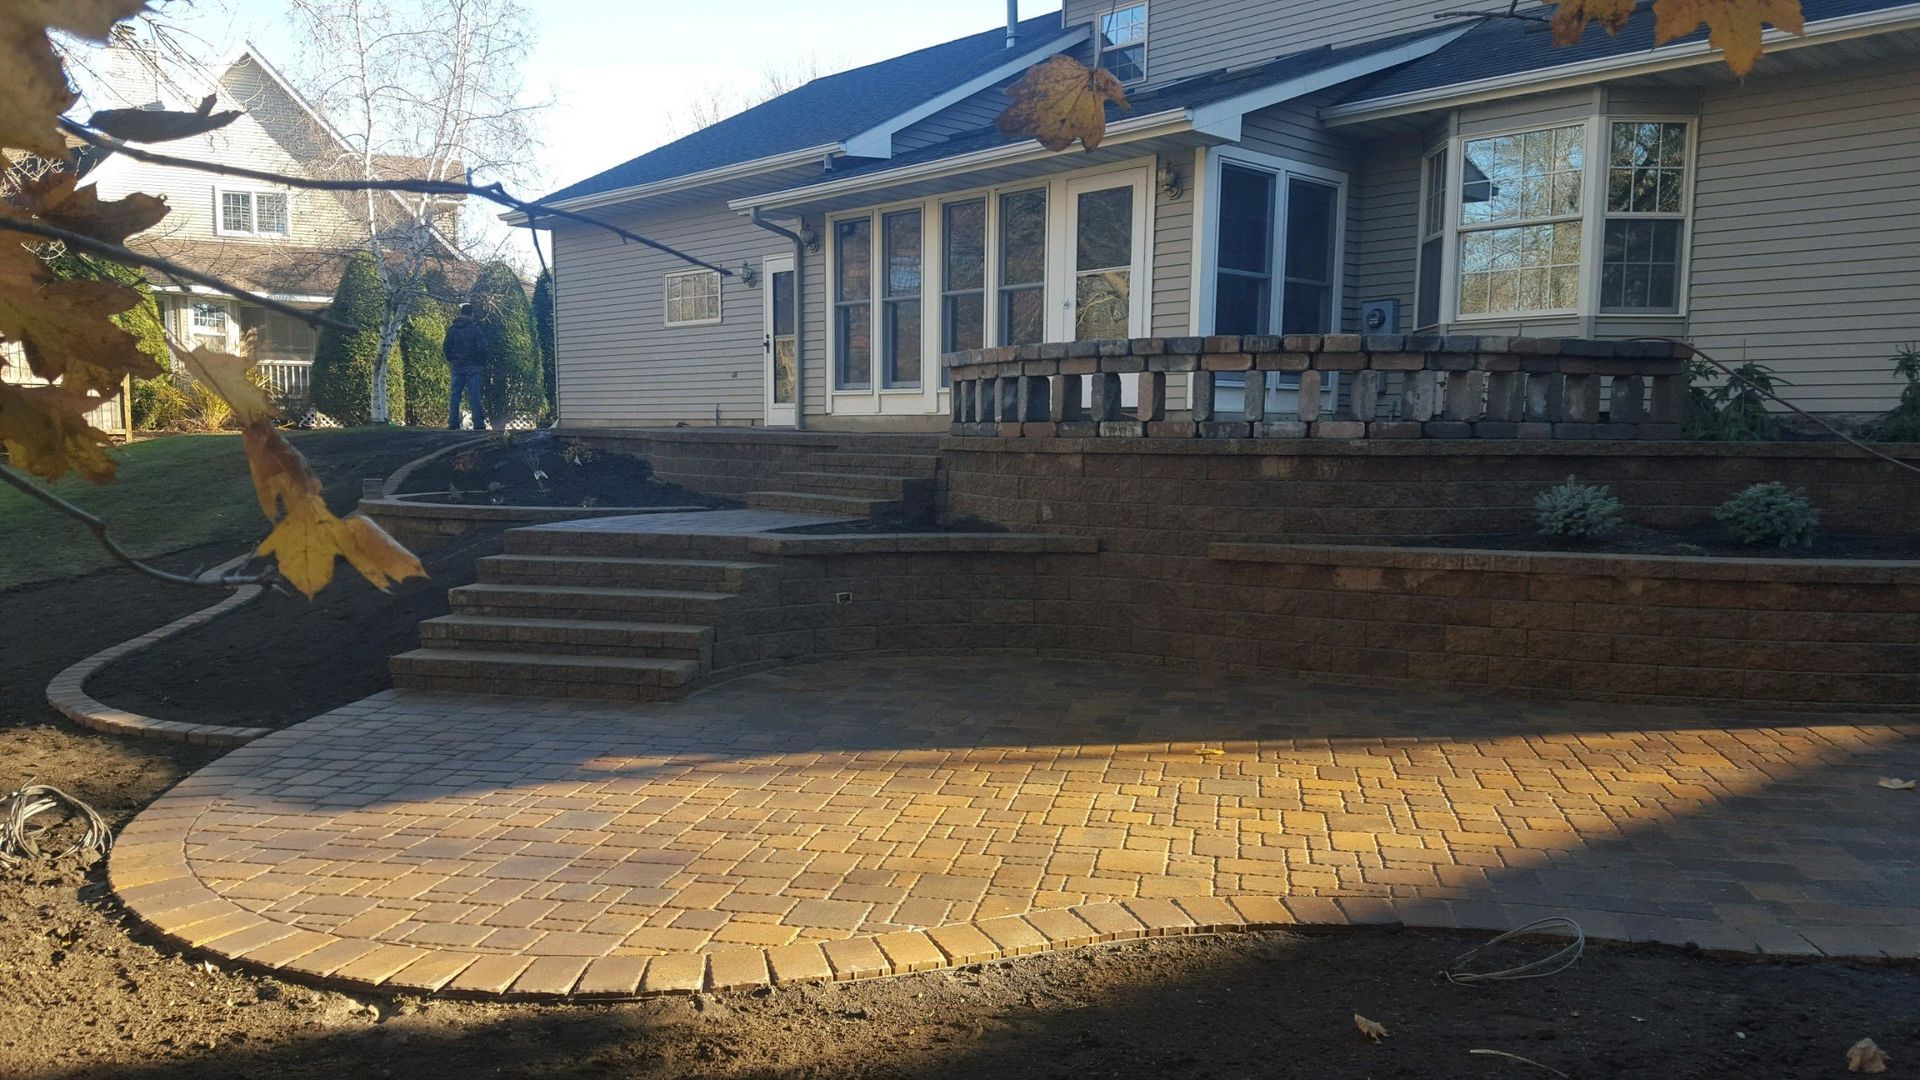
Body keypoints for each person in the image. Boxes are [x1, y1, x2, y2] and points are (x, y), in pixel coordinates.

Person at [443, 303, 488, 430]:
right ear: (471, 314)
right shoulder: (475, 329)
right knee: (474, 394)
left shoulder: (452, 329)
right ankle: (478, 423)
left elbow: (446, 346)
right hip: (473, 365)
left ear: (461, 313)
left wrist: (452, 359)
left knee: (455, 394)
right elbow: (482, 348)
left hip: (457, 365)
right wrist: (481, 362)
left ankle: (453, 422)